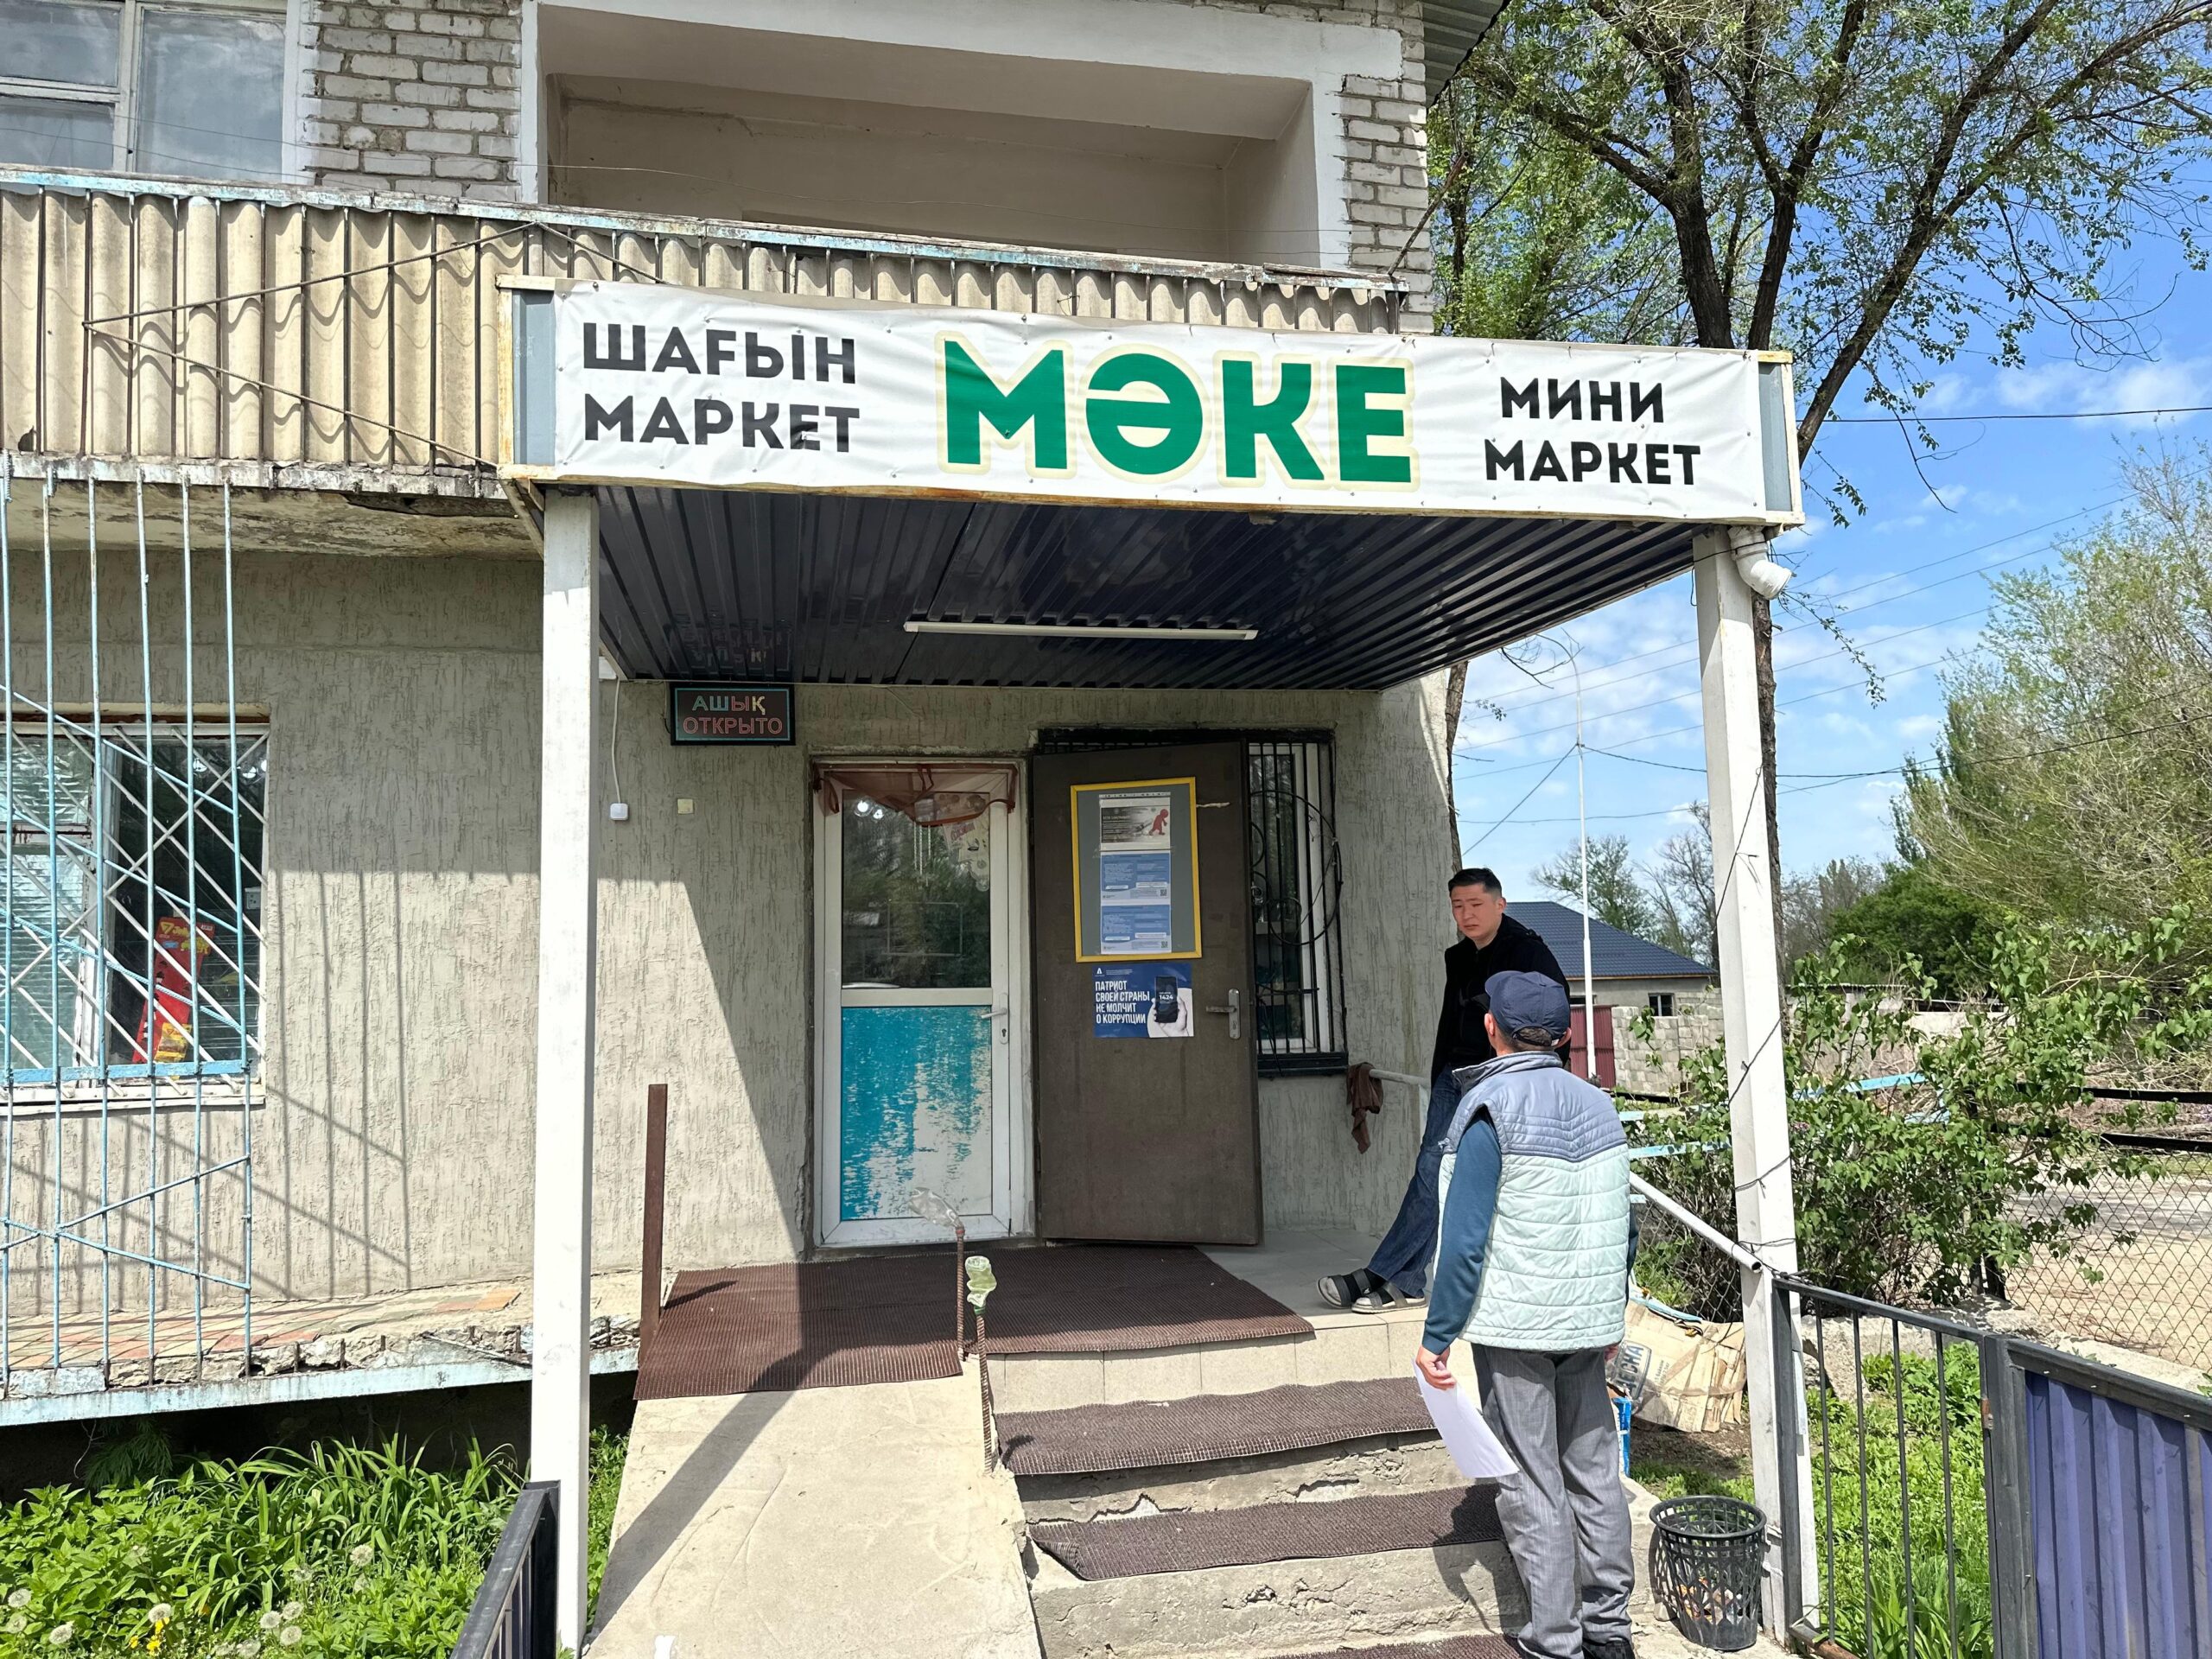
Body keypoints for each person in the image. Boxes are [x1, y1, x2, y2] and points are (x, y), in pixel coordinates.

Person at [1415, 970, 1639, 1659]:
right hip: (1587, 1322)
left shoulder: (1489, 1107)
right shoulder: (1602, 1107)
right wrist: (1611, 1310)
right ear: (1565, 1035)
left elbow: (1465, 1239)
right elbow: (1624, 1225)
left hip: (1516, 1328)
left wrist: (1438, 1334)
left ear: (1493, 1029)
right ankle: (1610, 1631)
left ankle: (1555, 1639)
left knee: (1529, 1479)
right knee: (1595, 1472)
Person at [1320, 868, 1569, 1313]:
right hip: (1454, 1079)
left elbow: (1557, 1018)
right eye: (1458, 906)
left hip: (1501, 1081)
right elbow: (1448, 1025)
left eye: (1476, 904)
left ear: (1500, 904)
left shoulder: (1527, 951)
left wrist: (1534, 1078)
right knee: (1430, 1171)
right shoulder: (1461, 956)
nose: (1466, 914)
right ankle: (1398, 1276)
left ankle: (1392, 1275)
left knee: (1462, 1177)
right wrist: (1438, 1076)